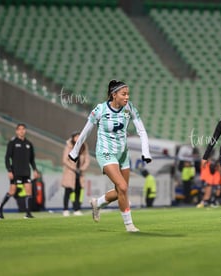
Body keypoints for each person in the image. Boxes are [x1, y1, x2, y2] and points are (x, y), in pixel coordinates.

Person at [68, 80, 152, 232]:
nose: (127, 97)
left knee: (122, 190)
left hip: (123, 154)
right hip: (105, 152)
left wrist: (145, 152)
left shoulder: (129, 108)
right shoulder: (100, 109)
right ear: (114, 95)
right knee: (123, 186)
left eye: (128, 94)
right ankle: (129, 225)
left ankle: (97, 202)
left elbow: (142, 131)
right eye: (123, 94)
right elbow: (86, 131)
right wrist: (74, 152)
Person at [0, 123, 39, 219]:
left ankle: (28, 213)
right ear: (16, 131)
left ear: (25, 131)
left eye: (23, 129)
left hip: (26, 172)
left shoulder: (29, 144)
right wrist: (9, 170)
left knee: (29, 191)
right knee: (12, 191)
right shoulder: (12, 143)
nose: (21, 131)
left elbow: (32, 159)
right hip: (16, 172)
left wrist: (35, 170)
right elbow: (7, 158)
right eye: (19, 129)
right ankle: (0, 208)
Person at [61, 131, 90, 216]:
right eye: (76, 137)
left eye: (79, 136)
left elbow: (87, 160)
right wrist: (74, 168)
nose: (77, 138)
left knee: (78, 190)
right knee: (68, 190)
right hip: (70, 172)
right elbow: (65, 159)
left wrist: (82, 168)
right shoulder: (69, 146)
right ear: (73, 138)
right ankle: (65, 209)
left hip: (79, 172)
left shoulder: (84, 146)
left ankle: (76, 209)